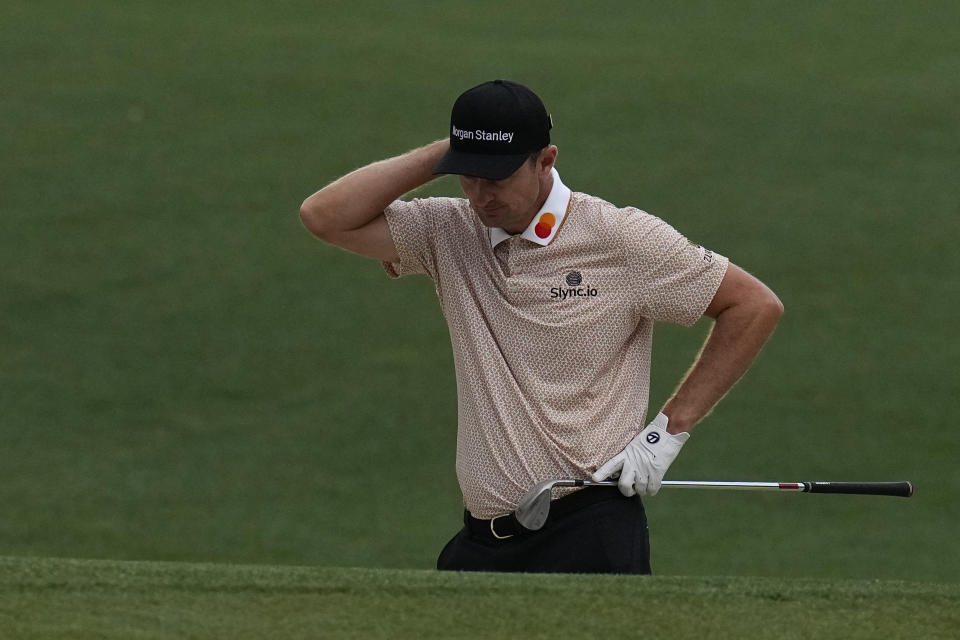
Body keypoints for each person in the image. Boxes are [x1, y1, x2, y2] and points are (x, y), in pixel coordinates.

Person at [300, 79, 783, 574]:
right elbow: (324, 217)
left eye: (498, 176)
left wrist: (669, 430)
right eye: (468, 176)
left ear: (545, 160)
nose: (481, 196)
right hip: (482, 540)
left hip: (588, 529)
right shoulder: (447, 231)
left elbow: (752, 305)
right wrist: (453, 150)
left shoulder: (620, 238)